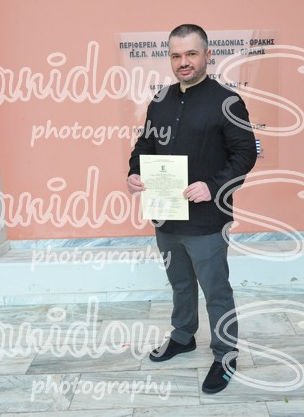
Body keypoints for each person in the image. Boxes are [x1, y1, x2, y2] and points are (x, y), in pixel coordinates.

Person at [127, 24, 257, 393]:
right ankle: (183, 336)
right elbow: (144, 147)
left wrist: (212, 186)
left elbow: (245, 153)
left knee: (215, 290)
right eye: (176, 55)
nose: (183, 62)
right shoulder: (160, 100)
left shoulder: (227, 101)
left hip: (207, 219)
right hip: (165, 214)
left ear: (207, 55)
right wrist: (134, 172)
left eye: (191, 54)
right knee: (180, 282)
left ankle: (225, 354)